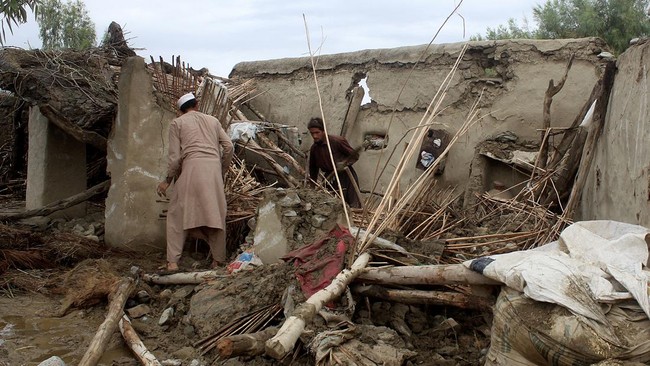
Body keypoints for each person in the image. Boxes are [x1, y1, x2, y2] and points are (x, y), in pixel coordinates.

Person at [156, 92, 234, 272]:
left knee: (176, 215)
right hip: (213, 169)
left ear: (180, 110)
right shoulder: (213, 121)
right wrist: (221, 170)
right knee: (215, 214)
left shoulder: (177, 123)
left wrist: (167, 181)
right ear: (197, 104)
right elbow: (229, 146)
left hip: (191, 168)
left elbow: (175, 159)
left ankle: (173, 262)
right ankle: (217, 261)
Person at [307, 117, 362, 208]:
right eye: (312, 133)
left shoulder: (337, 141)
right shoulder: (314, 148)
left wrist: (344, 164)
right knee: (332, 205)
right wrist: (312, 186)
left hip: (346, 176)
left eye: (317, 133)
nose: (314, 136)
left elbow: (355, 156)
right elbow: (313, 168)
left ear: (324, 131)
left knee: (353, 204)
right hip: (330, 179)